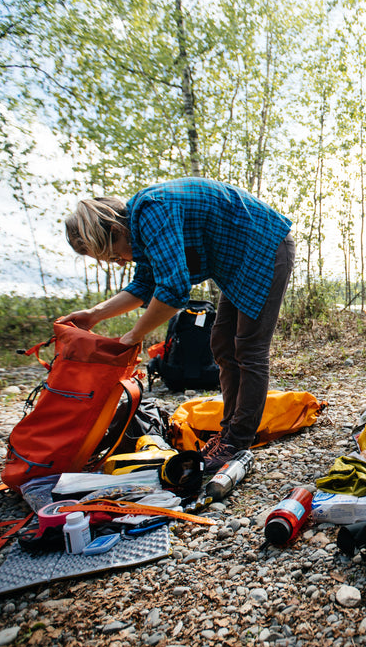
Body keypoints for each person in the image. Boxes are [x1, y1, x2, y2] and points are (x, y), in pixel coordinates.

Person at [61, 176, 295, 473]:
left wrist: (133, 335)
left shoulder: (150, 212)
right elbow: (145, 285)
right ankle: (229, 431)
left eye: (114, 255)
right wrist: (94, 315)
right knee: (222, 344)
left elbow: (173, 292)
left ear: (118, 230)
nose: (119, 262)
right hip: (238, 263)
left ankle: (237, 440)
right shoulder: (140, 227)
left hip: (266, 247)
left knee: (249, 348)